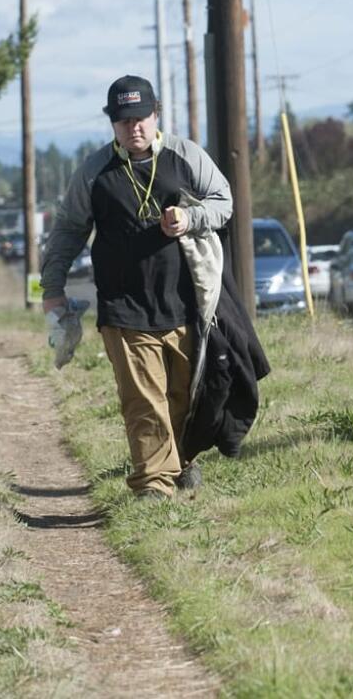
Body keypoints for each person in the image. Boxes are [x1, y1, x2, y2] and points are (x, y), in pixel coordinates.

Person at [40, 75, 233, 500]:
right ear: (113, 123)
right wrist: (51, 289)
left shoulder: (186, 157)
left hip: (185, 303)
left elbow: (223, 201)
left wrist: (190, 219)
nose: (134, 129)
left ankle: (182, 461)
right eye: (124, 121)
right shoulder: (94, 172)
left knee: (183, 396)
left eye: (141, 118)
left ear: (155, 114)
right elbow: (68, 231)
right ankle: (153, 486)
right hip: (123, 307)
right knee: (144, 401)